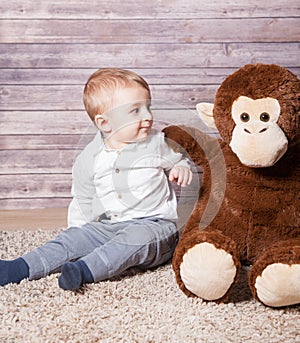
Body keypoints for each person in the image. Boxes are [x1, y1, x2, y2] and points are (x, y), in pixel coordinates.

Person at [0, 68, 193, 291]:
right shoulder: (89, 158)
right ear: (104, 123)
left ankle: (83, 271)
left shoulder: (156, 143)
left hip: (155, 225)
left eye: (148, 107)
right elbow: (83, 197)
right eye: (135, 111)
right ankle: (19, 268)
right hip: (107, 225)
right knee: (72, 240)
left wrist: (181, 166)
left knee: (133, 239)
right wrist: (79, 233)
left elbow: (179, 159)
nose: (147, 116)